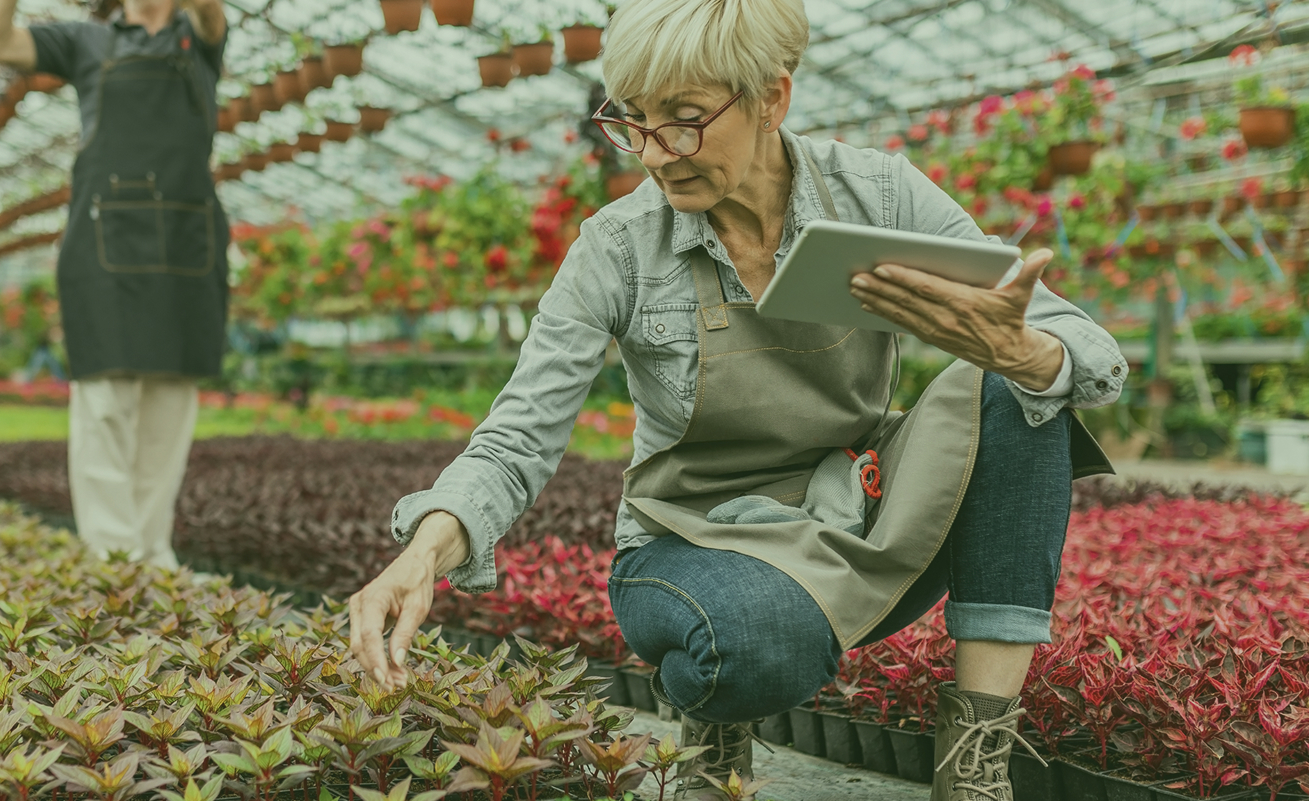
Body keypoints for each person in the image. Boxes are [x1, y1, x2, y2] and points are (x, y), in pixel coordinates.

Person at [344, 0, 1129, 798]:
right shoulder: (618, 247)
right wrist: (424, 552)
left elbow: (1081, 343)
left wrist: (1025, 352)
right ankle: (716, 715)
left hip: (856, 510)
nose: (656, 154)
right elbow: (519, 434)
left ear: (771, 99)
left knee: (1025, 386)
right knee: (752, 645)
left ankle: (975, 767)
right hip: (695, 543)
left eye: (685, 121)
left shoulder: (877, 195)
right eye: (634, 121)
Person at [0, 0, 230, 571]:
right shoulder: (85, 41)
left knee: (169, 404)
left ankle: (155, 557)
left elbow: (212, 15)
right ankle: (115, 560)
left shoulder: (200, 35)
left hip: (187, 238)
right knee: (107, 400)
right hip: (107, 237)